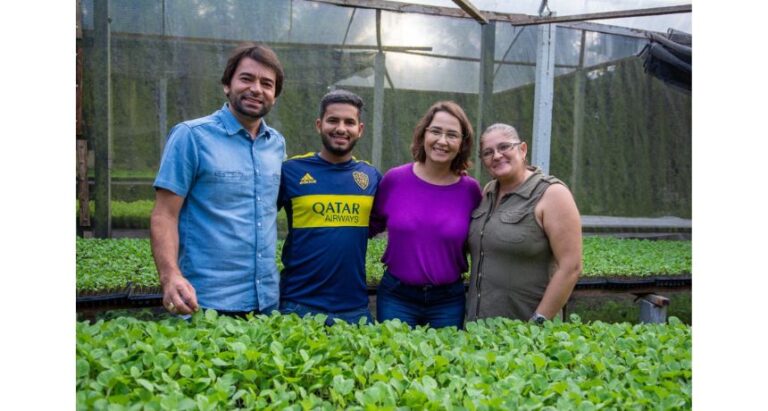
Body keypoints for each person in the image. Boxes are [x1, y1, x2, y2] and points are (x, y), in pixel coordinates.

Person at [150, 43, 286, 316]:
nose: (256, 89)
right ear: (227, 84)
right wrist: (170, 276)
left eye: (266, 83)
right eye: (246, 78)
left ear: (274, 95)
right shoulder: (191, 136)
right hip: (204, 301)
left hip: (267, 301)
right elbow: (164, 214)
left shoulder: (277, 144)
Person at [370, 101, 482, 329]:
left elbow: (482, 239)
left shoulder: (470, 190)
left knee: (445, 363)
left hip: (448, 300)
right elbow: (369, 226)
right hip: (396, 297)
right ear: (423, 135)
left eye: (452, 135)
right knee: (395, 361)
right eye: (436, 131)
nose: (442, 141)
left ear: (462, 144)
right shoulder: (395, 180)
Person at [278, 89, 381, 325]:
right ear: (319, 124)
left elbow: (389, 219)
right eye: (333, 120)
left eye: (349, 122)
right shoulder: (291, 171)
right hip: (298, 306)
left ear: (360, 129)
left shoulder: (371, 177)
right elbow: (258, 219)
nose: (341, 128)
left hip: (355, 308)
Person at [465, 123, 582, 324]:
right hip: (478, 329)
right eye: (488, 152)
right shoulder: (488, 192)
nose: (497, 155)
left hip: (525, 333)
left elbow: (571, 267)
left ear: (523, 149)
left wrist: (538, 322)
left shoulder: (552, 194)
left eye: (504, 147)